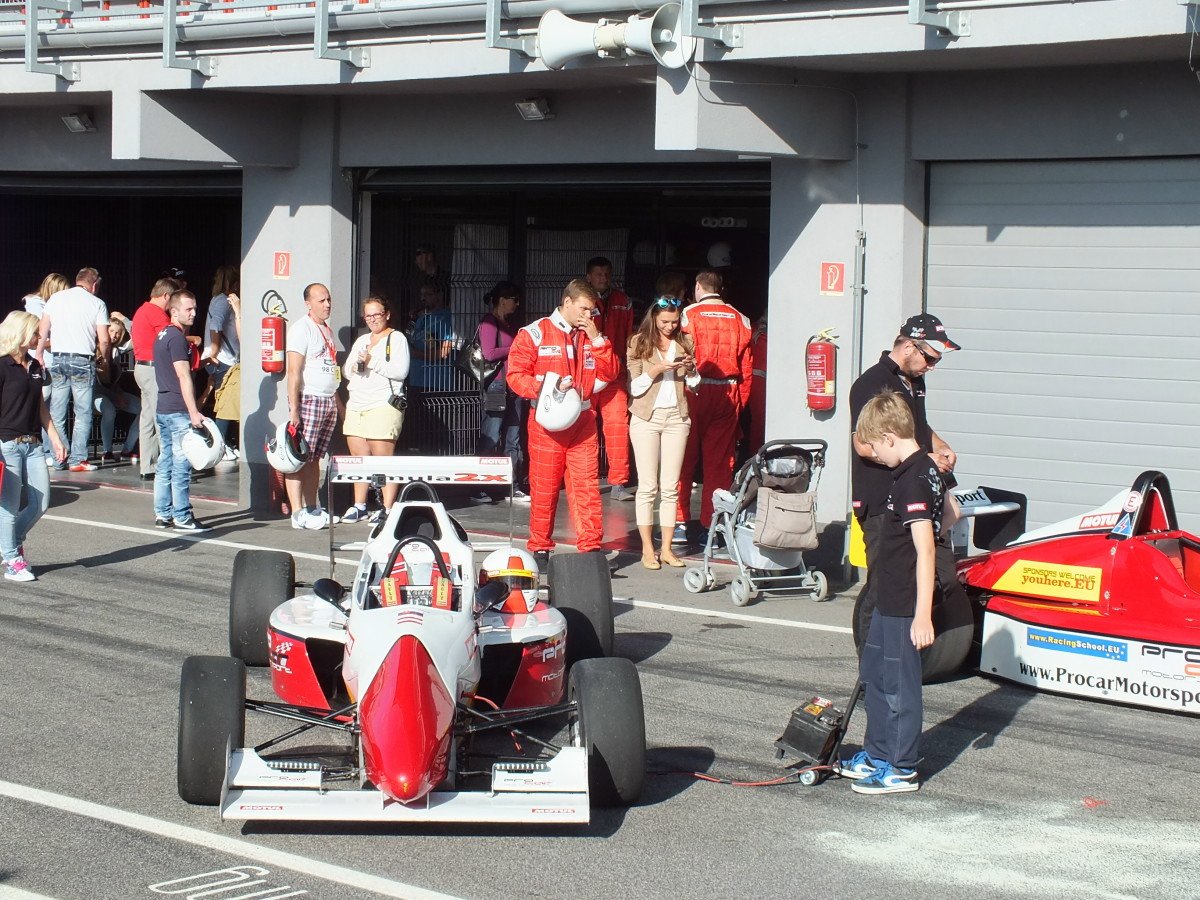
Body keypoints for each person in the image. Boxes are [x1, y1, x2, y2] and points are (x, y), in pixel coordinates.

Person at [840, 390, 945, 794]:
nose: (874, 456)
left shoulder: (914, 479)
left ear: (888, 437)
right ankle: (878, 753)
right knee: (876, 675)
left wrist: (922, 614)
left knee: (899, 686)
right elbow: (951, 514)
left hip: (904, 601)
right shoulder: (918, 471)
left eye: (874, 447)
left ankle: (901, 768)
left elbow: (926, 548)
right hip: (887, 594)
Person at [849, 313, 962, 650]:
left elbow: (917, 426)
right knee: (883, 584)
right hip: (881, 499)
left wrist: (939, 446)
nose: (932, 367)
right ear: (910, 347)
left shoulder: (915, 381)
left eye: (937, 360)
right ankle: (871, 660)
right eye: (930, 358)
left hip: (917, 493)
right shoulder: (871, 383)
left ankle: (908, 647)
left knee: (939, 576)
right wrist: (920, 459)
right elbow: (863, 445)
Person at [506, 279, 619, 565]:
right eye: (584, 309)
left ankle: (591, 549)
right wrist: (548, 387)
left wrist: (597, 339)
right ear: (567, 302)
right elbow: (515, 376)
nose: (588, 315)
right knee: (544, 487)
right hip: (548, 422)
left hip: (583, 421)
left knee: (587, 488)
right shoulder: (534, 333)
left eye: (592, 310)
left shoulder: (593, 336)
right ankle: (540, 548)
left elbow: (611, 372)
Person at [673, 269, 753, 546]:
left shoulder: (688, 315)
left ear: (698, 286)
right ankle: (713, 528)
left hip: (692, 390)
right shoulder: (741, 319)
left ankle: (679, 524)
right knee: (719, 464)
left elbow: (678, 356)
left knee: (682, 458)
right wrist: (739, 404)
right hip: (727, 391)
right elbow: (747, 369)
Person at [627, 296, 699, 569]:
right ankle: (648, 549)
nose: (670, 327)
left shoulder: (686, 342)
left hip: (677, 417)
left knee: (670, 487)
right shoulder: (638, 342)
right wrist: (655, 370)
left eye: (675, 321)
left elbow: (695, 384)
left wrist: (691, 370)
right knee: (647, 486)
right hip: (646, 417)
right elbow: (634, 388)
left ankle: (667, 549)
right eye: (665, 322)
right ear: (654, 318)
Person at [0, 311, 67, 582]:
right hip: (7, 444)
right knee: (9, 506)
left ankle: (11, 540)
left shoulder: (36, 367)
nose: (40, 337)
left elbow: (41, 408)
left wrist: (55, 438)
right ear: (21, 332)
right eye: (36, 332)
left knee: (41, 503)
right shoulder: (2, 365)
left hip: (34, 444)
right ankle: (11, 559)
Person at [340, 296, 410, 524]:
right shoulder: (362, 340)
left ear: (387, 314)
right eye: (368, 316)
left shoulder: (396, 338)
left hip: (382, 405)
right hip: (356, 404)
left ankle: (387, 508)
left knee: (383, 460)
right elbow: (346, 371)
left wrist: (372, 361)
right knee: (359, 459)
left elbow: (400, 371)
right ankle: (359, 505)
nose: (372, 319)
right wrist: (354, 366)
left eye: (376, 314)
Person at [36, 266, 110, 472]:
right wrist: (104, 359)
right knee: (83, 412)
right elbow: (104, 340)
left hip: (58, 359)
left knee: (56, 412)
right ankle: (77, 460)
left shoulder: (56, 298)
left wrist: (39, 353)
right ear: (94, 285)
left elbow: (43, 329)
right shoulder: (97, 303)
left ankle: (59, 458)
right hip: (83, 360)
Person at [152, 290, 209, 533]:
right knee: (181, 465)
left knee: (165, 462)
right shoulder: (176, 338)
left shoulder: (162, 335)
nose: (194, 313)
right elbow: (183, 375)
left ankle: (163, 513)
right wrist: (194, 412)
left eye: (194, 308)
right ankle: (182, 516)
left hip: (164, 407)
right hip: (177, 409)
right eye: (188, 309)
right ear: (173, 311)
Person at [286, 283, 341, 530]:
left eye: (328, 299)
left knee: (315, 458)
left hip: (327, 400)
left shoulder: (327, 330)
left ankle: (312, 507)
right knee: (299, 457)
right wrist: (294, 408)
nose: (327, 304)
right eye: (321, 301)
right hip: (309, 399)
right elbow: (293, 371)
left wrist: (338, 405)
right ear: (308, 303)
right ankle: (297, 512)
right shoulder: (301, 329)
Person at [472, 281, 529, 505]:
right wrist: (515, 347)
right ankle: (479, 486)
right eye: (514, 300)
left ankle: (512, 486)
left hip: (513, 384)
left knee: (513, 438)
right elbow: (489, 353)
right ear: (503, 301)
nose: (517, 304)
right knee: (491, 436)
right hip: (496, 385)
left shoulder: (508, 323)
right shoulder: (489, 322)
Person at [585, 257, 635, 501]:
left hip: (615, 372)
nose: (603, 278)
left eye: (606, 274)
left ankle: (618, 483)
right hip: (587, 373)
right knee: (584, 428)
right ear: (588, 276)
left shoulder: (623, 301)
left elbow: (630, 338)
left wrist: (629, 369)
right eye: (598, 274)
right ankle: (585, 480)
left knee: (617, 428)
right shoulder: (582, 301)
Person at [130, 277, 180, 481]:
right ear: (166, 296)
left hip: (142, 367)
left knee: (148, 418)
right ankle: (168, 465)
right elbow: (169, 338)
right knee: (162, 417)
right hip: (153, 369)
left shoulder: (141, 311)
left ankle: (148, 466)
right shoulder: (156, 313)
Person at [403, 282, 455, 451]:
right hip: (416, 379)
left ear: (440, 295)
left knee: (434, 429)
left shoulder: (446, 318)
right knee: (418, 426)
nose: (423, 298)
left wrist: (414, 353)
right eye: (422, 295)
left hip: (436, 381)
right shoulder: (421, 318)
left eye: (428, 294)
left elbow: (444, 352)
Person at [24, 273, 70, 461]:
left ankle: (48, 450)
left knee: (48, 410)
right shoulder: (36, 307)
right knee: (40, 406)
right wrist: (62, 340)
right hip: (43, 363)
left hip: (50, 364)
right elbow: (37, 338)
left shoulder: (44, 306)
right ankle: (41, 449)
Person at [202, 265, 241, 460]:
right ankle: (221, 445)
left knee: (228, 403)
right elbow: (216, 325)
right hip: (224, 360)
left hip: (225, 359)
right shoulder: (224, 301)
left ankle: (225, 443)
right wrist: (215, 351)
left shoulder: (218, 300)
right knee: (226, 404)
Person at [94, 314, 141, 462]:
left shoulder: (116, 351)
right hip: (94, 395)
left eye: (118, 333)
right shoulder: (92, 350)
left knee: (145, 409)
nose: (114, 335)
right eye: (111, 331)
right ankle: (107, 451)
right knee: (109, 409)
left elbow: (138, 338)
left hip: (113, 394)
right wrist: (116, 397)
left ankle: (127, 450)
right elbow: (95, 386)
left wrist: (125, 320)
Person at [748, 314, 768, 453]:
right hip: (758, 378)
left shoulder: (753, 329)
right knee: (759, 421)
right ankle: (756, 455)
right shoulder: (755, 330)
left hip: (758, 378)